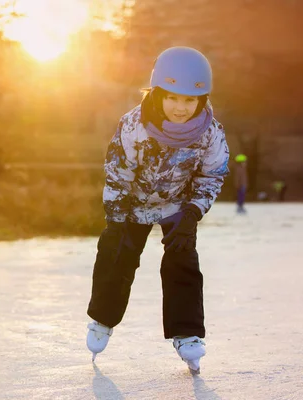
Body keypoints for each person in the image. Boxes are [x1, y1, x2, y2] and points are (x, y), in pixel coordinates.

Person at [85, 47, 229, 374]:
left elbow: (213, 173)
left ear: (201, 100)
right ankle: (102, 319)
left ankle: (187, 332)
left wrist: (192, 214)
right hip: (133, 204)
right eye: (172, 98)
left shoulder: (210, 132)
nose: (181, 108)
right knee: (116, 254)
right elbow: (118, 172)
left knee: (183, 260)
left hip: (178, 205)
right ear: (157, 92)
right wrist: (117, 220)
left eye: (190, 101)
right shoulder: (134, 124)